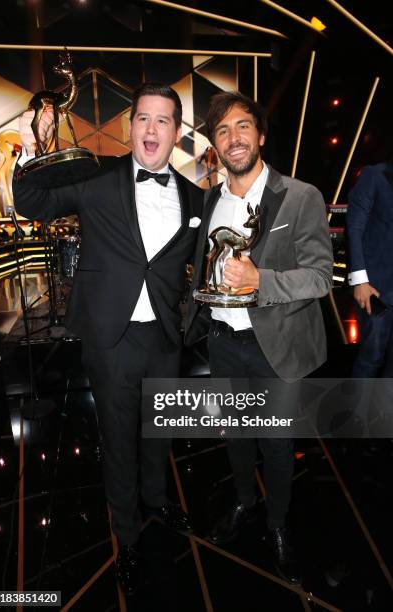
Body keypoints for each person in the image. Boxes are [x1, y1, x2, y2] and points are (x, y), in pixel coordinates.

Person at [13, 82, 203, 596]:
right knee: (119, 441)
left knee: (158, 432)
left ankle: (158, 498)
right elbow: (31, 201)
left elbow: (209, 264)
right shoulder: (98, 179)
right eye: (143, 118)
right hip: (110, 339)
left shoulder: (195, 199)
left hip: (165, 338)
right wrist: (36, 148)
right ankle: (128, 536)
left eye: (163, 120)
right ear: (130, 126)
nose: (151, 129)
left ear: (176, 133)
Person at [185, 91, 333, 584]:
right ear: (215, 144)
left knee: (276, 442)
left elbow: (320, 277)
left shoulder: (299, 196)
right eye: (223, 130)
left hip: (279, 348)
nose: (234, 138)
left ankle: (277, 524)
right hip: (225, 343)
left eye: (243, 126)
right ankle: (247, 504)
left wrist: (261, 281)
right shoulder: (211, 199)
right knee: (237, 436)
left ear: (261, 135)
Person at [347, 160, 393, 377]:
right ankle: (358, 411)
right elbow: (354, 227)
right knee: (370, 359)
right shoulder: (374, 174)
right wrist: (360, 281)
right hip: (377, 290)